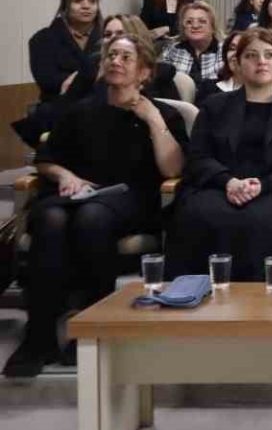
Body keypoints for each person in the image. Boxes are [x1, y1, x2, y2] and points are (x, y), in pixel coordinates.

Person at [4, 33, 187, 377]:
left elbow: (173, 170)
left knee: (92, 218)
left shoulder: (163, 113)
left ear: (144, 72)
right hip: (75, 193)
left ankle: (90, 327)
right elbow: (46, 158)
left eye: (126, 57)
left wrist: (153, 120)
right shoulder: (82, 110)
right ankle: (39, 334)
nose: (115, 61)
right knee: (51, 219)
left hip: (130, 199)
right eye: (111, 56)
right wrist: (64, 175)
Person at [168, 28, 272, 283]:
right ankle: (193, 295)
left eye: (269, 55)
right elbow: (199, 156)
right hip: (219, 187)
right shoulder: (215, 105)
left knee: (260, 220)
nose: (261, 61)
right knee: (199, 213)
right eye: (251, 55)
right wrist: (228, 182)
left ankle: (261, 298)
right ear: (237, 64)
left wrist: (263, 185)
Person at [63, 15, 179, 104]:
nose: (112, 40)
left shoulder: (158, 75)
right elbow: (68, 107)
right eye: (107, 35)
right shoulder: (92, 65)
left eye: (120, 34)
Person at [29, 0, 102, 106]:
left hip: (103, 107)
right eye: (77, 1)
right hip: (59, 107)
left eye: (92, 1)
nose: (86, 6)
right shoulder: (43, 39)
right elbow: (48, 81)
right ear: (65, 6)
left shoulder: (108, 37)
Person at [161, 0, 224, 94]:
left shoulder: (224, 50)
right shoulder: (172, 50)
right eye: (189, 22)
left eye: (202, 21)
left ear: (213, 27)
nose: (195, 26)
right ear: (183, 27)